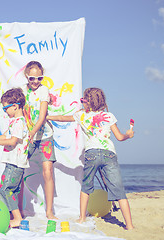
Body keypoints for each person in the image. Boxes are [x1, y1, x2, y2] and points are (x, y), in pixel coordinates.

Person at [47, 87, 134, 230]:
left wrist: (47, 116)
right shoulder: (109, 116)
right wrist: (129, 134)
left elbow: (62, 118)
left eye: (83, 100)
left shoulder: (81, 115)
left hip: (91, 153)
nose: (81, 103)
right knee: (119, 191)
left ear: (88, 102)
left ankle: (82, 218)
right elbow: (119, 137)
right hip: (109, 154)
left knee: (86, 187)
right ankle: (129, 226)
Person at [0, 88, 29, 227]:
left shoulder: (19, 122)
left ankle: (18, 218)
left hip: (16, 163)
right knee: (7, 189)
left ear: (15, 106)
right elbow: (4, 136)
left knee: (6, 189)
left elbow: (12, 141)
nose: (5, 111)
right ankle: (9, 215)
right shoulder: (14, 122)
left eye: (5, 108)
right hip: (12, 162)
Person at [21, 61, 57, 220]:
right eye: (32, 79)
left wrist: (32, 133)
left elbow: (42, 117)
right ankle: (18, 211)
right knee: (19, 172)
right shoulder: (21, 91)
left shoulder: (44, 90)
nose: (36, 82)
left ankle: (49, 212)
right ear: (26, 76)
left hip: (44, 137)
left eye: (39, 78)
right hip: (26, 137)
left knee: (48, 172)